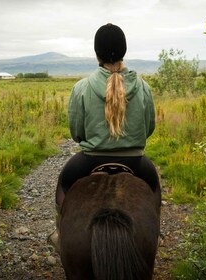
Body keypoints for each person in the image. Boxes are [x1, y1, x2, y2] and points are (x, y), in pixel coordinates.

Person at [48, 23, 161, 251]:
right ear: (124, 51)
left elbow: (77, 132)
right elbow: (149, 128)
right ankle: (155, 234)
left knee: (63, 183)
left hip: (89, 160)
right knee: (155, 187)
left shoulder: (81, 87)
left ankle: (61, 234)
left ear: (97, 53)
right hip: (135, 162)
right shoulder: (144, 87)